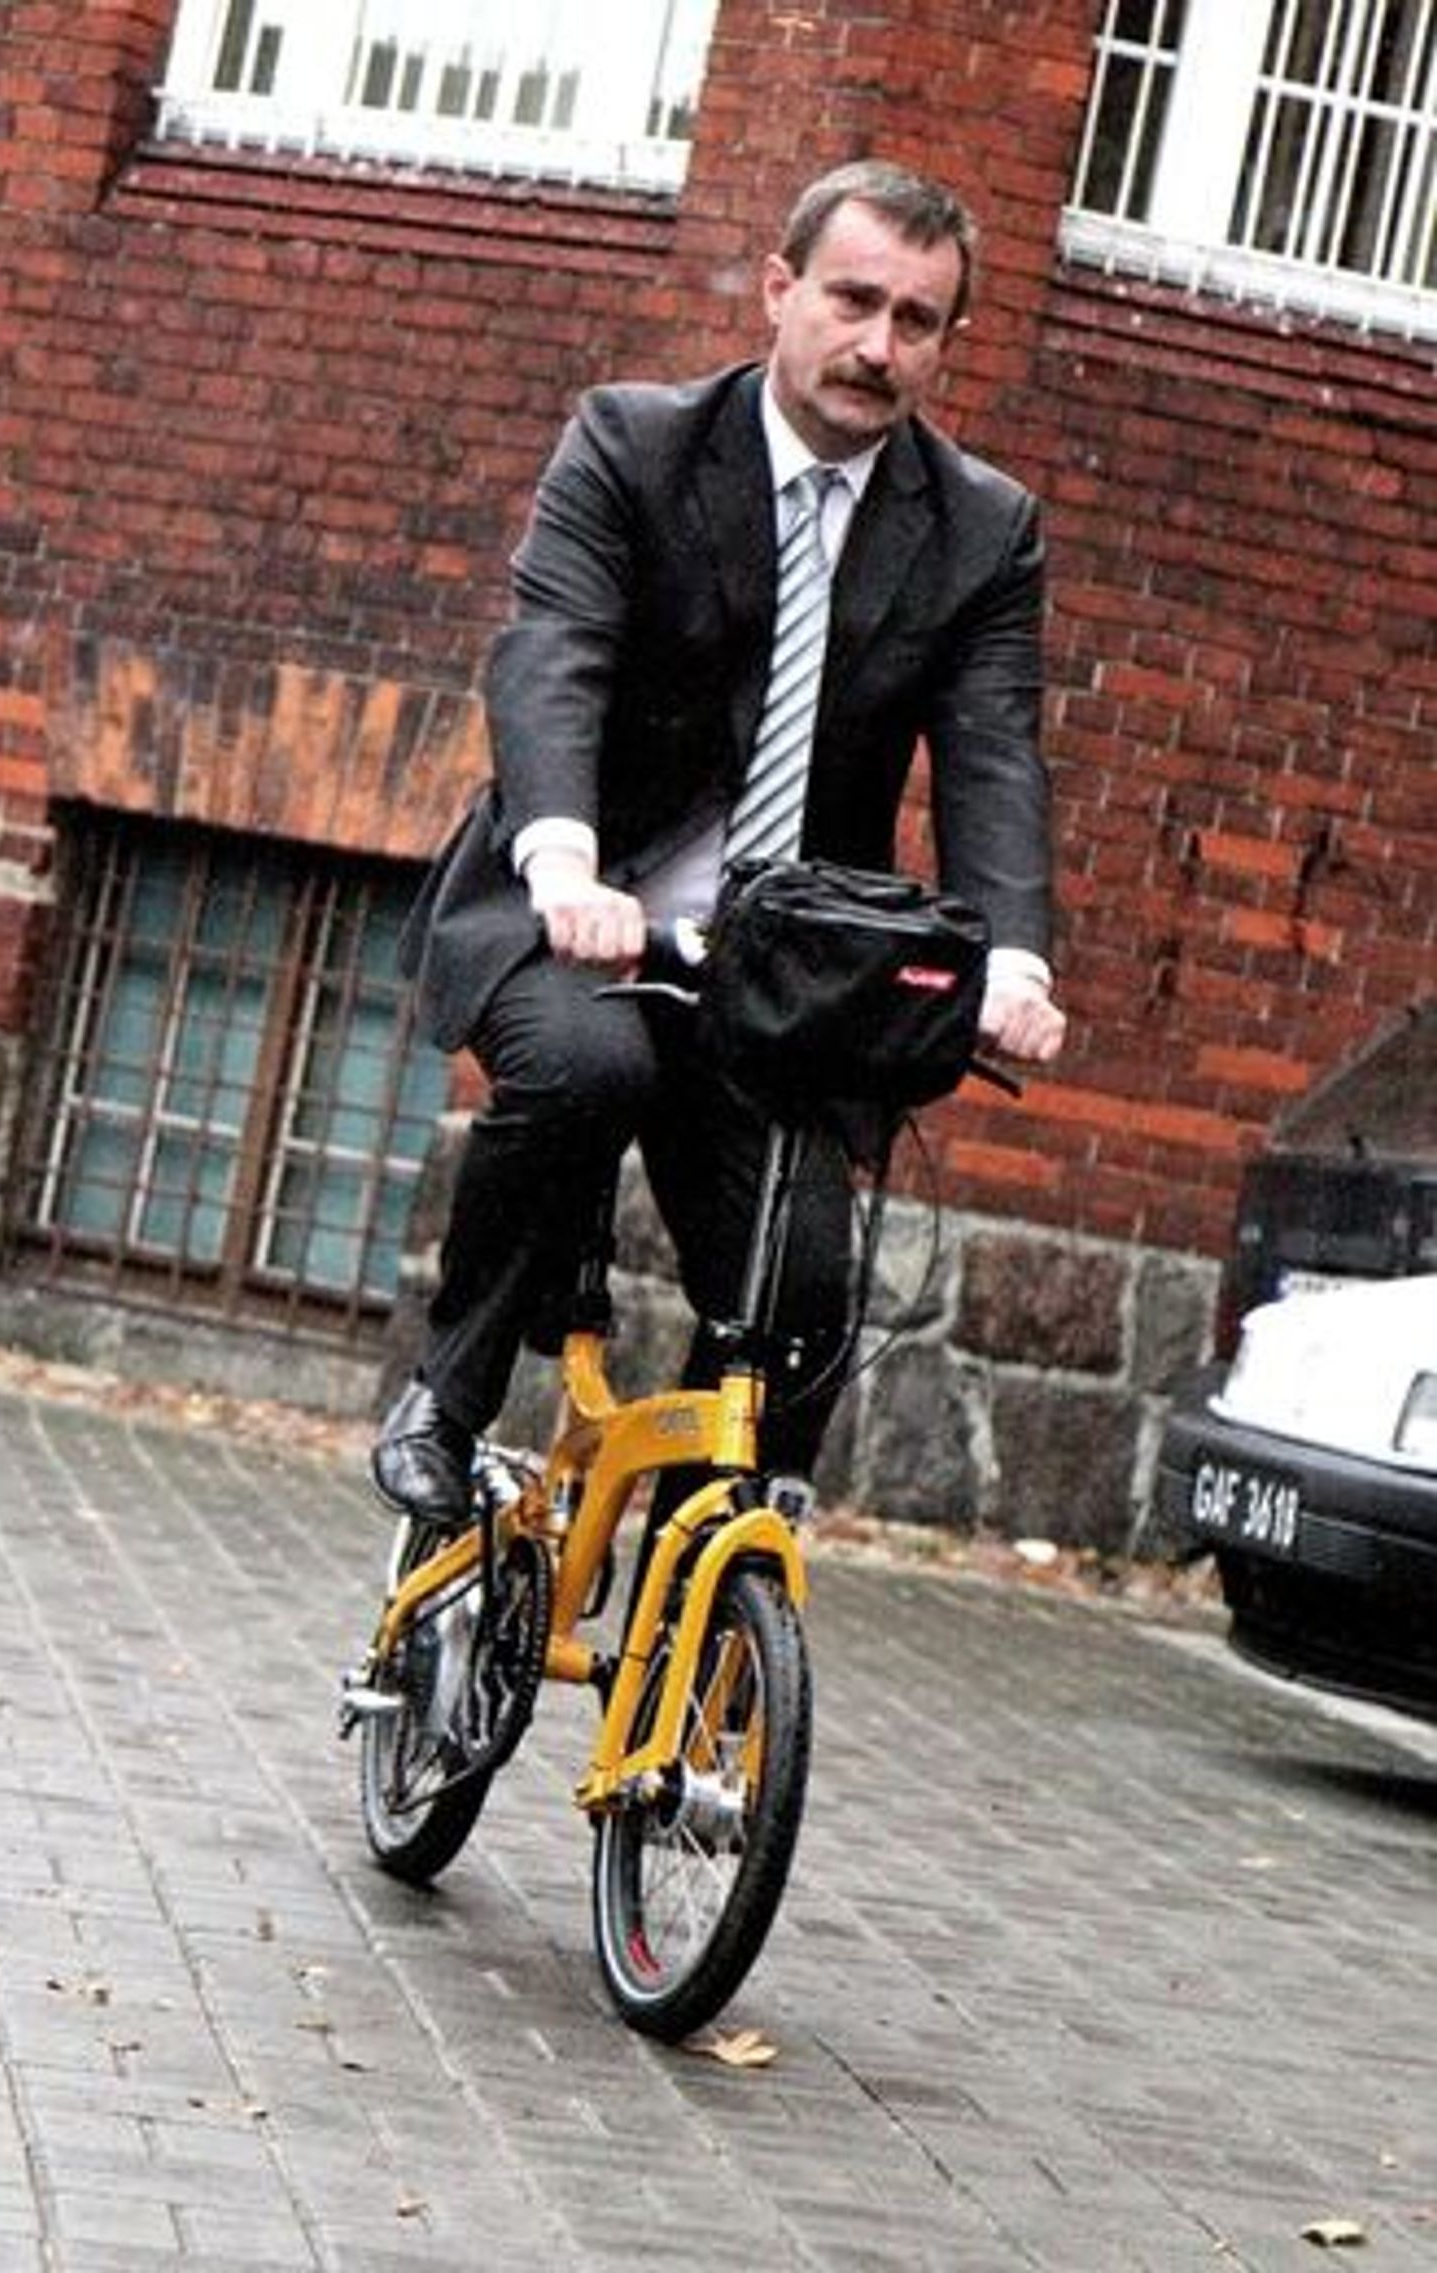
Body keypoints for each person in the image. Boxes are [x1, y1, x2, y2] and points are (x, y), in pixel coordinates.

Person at [374, 157, 1067, 1530]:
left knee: (805, 1285)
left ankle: (703, 1575)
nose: (877, 347)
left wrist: (1014, 963)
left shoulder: (982, 530)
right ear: (777, 289)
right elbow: (555, 653)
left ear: (948, 341)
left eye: (916, 320)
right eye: (853, 301)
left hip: (776, 977)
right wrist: (563, 860)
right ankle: (445, 1398)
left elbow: (993, 753)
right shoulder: (634, 446)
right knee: (585, 1071)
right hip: (588, 920)